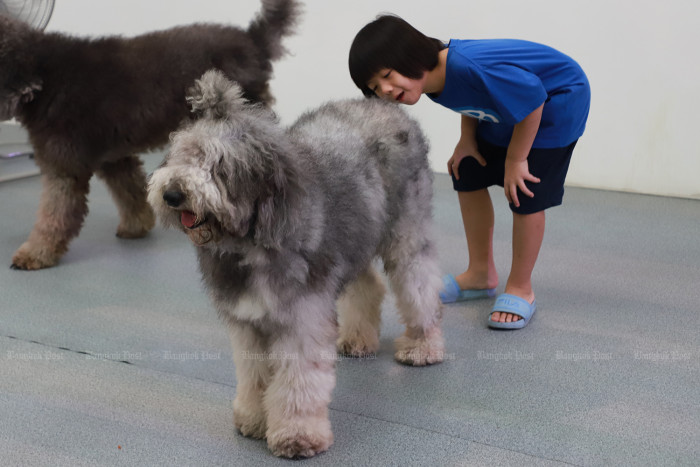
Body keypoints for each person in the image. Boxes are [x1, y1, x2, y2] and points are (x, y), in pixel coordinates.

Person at [349, 15, 590, 329]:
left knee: (525, 191)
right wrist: (467, 140)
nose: (384, 89)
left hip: (556, 103)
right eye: (374, 87)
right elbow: (472, 97)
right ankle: (480, 274)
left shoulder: (466, 66)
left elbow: (532, 99)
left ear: (409, 56)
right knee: (468, 170)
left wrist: (516, 160)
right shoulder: (432, 79)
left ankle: (521, 287)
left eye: (386, 75)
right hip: (515, 107)